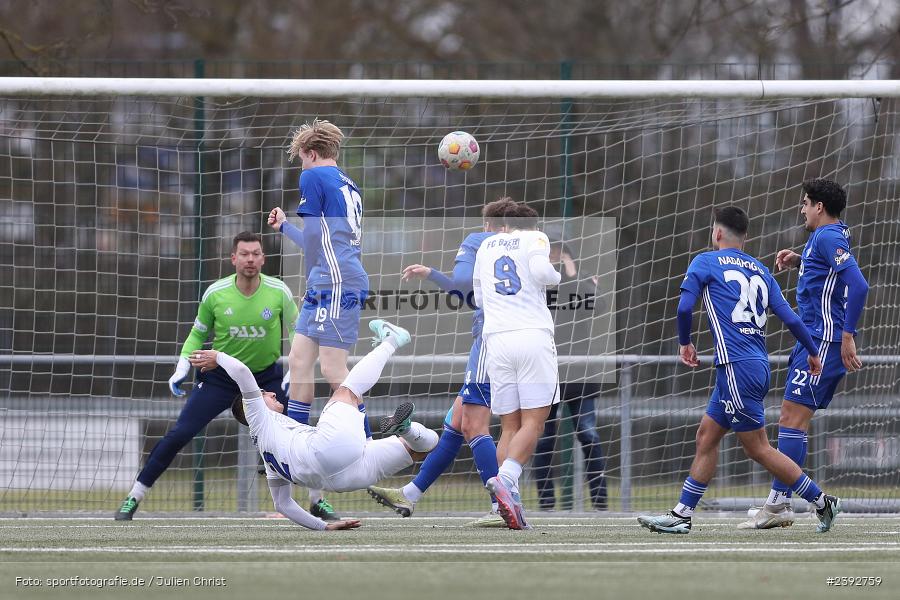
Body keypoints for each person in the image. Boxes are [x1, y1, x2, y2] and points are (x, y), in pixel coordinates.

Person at [637, 206, 841, 534]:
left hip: (736, 368)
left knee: (756, 447)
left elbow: (684, 307)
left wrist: (685, 343)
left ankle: (821, 501)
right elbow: (790, 318)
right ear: (744, 237)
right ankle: (681, 514)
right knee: (707, 435)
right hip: (754, 364)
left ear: (717, 233)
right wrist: (814, 352)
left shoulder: (705, 261)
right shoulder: (761, 270)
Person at [188, 319, 437, 530]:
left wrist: (324, 527)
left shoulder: (269, 458)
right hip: (326, 450)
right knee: (347, 391)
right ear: (252, 406)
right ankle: (391, 340)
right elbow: (242, 372)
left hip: (341, 481)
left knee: (422, 446)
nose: (272, 394)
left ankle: (405, 429)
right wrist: (217, 356)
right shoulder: (258, 418)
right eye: (264, 394)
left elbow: (282, 504)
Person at [114, 232, 297, 520]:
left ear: (263, 258)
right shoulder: (215, 294)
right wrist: (182, 368)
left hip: (266, 380)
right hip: (220, 379)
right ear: (233, 258)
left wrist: (296, 371)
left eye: (256, 253)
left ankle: (316, 501)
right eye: (244, 253)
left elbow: (297, 334)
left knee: (298, 431)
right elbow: (197, 334)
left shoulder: (279, 292)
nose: (250, 259)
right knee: (180, 433)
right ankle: (133, 498)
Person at [366, 198, 517, 528]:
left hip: (491, 341)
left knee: (475, 426)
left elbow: (462, 289)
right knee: (456, 423)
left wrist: (434, 274)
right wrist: (433, 273)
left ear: (490, 225)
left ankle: (499, 505)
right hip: (522, 341)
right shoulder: (525, 246)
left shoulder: (479, 240)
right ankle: (411, 492)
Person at [740, 179, 869, 529]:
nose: (802, 209)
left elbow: (858, 285)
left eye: (805, 203)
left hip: (824, 341)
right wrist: (801, 261)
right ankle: (779, 502)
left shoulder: (828, 237)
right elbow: (829, 278)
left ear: (819, 207)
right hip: (813, 340)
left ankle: (780, 504)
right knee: (789, 418)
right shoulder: (823, 239)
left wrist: (847, 337)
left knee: (791, 421)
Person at [268, 119, 369, 521]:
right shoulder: (346, 181)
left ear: (309, 153)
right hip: (325, 280)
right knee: (298, 362)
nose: (301, 166)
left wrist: (293, 235)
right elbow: (324, 237)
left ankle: (365, 445)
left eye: (301, 159)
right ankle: (297, 456)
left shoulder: (313, 177)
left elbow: (316, 241)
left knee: (332, 368)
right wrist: (287, 228)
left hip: (335, 280)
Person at [473, 202, 562, 530]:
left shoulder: (485, 246)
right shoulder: (535, 238)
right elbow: (542, 274)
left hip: (495, 340)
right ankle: (506, 481)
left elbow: (479, 298)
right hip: (531, 337)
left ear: (504, 225)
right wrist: (556, 275)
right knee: (535, 423)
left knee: (509, 426)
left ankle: (507, 505)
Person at [532, 238, 608, 512]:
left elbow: (598, 306)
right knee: (543, 438)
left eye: (559, 253)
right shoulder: (538, 283)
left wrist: (572, 272)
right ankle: (546, 503)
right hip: (546, 373)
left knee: (588, 435)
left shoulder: (584, 280)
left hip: (580, 375)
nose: (553, 257)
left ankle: (600, 503)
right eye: (549, 253)